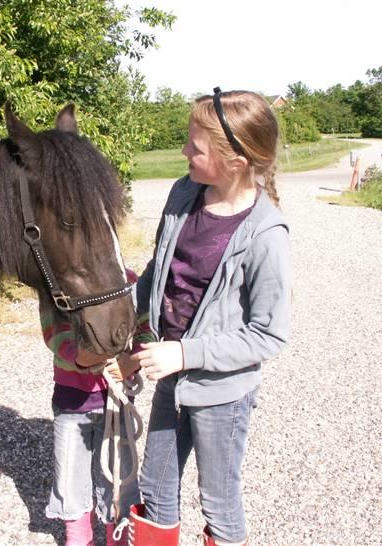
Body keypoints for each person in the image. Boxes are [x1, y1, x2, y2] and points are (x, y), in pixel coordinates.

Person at [123, 88, 292, 546]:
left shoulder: (266, 233)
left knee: (218, 499)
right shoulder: (183, 192)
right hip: (171, 379)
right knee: (155, 486)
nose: (183, 152)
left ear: (235, 160)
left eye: (194, 147)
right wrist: (131, 340)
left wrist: (184, 353)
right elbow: (160, 271)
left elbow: (269, 335)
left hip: (221, 393)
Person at [41, 268, 155, 546]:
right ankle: (78, 538)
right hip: (71, 403)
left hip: (115, 404)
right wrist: (86, 357)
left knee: (118, 477)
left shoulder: (128, 282)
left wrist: (133, 360)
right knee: (69, 475)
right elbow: (54, 335)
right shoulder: (56, 287)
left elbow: (146, 328)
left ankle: (117, 535)